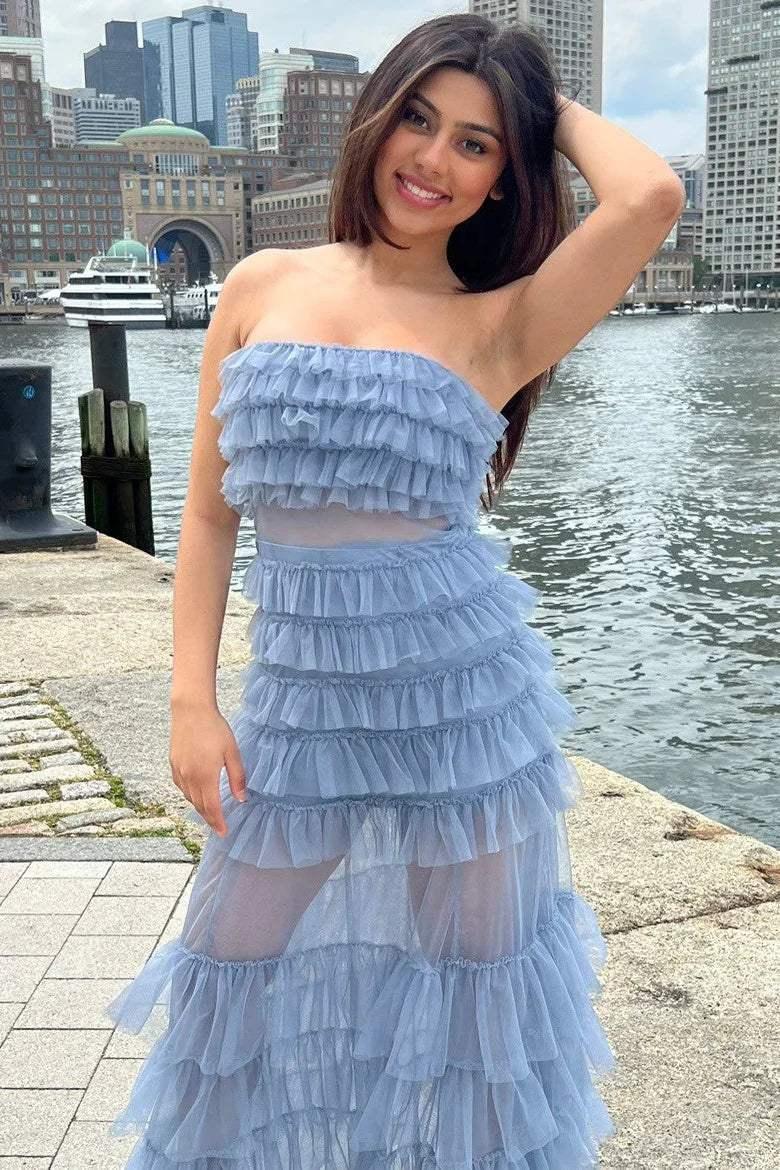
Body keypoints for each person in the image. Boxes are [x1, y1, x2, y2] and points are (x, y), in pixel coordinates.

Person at [106, 12, 684, 1169]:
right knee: (231, 966)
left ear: (503, 177)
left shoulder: (500, 321)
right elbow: (212, 514)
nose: (433, 159)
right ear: (375, 119)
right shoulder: (261, 286)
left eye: (477, 144)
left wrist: (534, 95)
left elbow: (649, 198)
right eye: (419, 118)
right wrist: (190, 698)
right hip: (299, 707)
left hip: (462, 708)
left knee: (478, 1001)